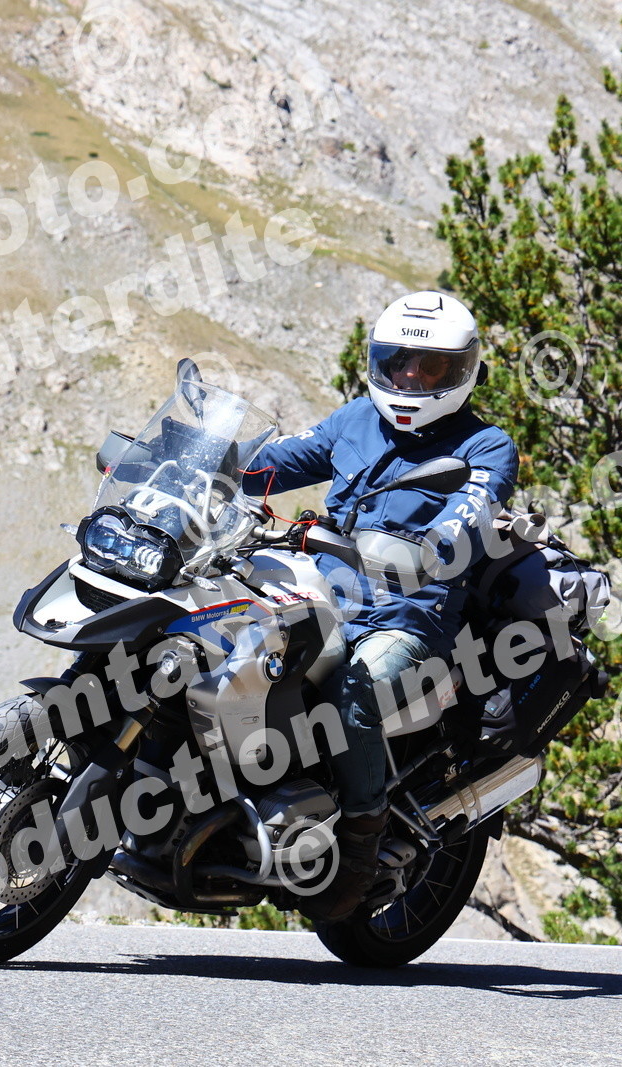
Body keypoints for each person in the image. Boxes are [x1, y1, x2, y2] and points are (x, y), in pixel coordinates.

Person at [241, 291, 519, 921]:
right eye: (399, 362)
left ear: (462, 372)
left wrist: (439, 543)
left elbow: (473, 509)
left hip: (405, 617)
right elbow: (275, 464)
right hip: (317, 593)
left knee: (354, 686)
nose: (411, 377)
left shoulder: (485, 445)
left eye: (431, 366)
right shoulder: (355, 421)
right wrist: (201, 461)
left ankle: (360, 843)